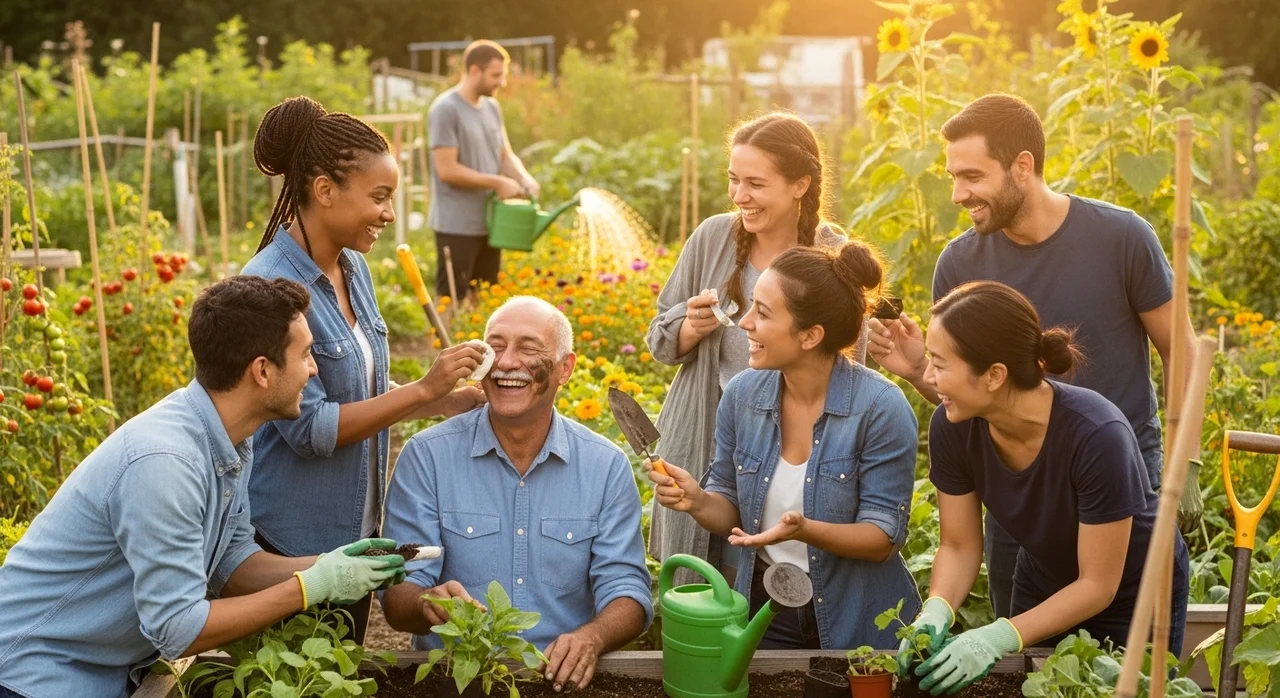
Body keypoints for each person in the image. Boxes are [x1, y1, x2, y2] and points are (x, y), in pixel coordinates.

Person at [866, 93, 1200, 620]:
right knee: (1022, 654)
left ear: (1023, 166)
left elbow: (1182, 352)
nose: (958, 193)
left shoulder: (1121, 237)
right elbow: (979, 393)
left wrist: (1188, 464)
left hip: (1121, 482)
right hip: (1018, 507)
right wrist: (917, 371)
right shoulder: (961, 262)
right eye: (953, 176)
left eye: (972, 176)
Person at [0, 276, 406, 698]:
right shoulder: (166, 463)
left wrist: (330, 566)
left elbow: (233, 562)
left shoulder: (228, 435)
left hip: (95, 671)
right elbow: (178, 630)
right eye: (305, 354)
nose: (314, 368)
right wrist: (310, 588)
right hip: (31, 674)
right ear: (262, 371)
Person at [242, 95, 485, 643]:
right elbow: (311, 429)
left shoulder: (353, 268)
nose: (390, 214)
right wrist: (423, 388)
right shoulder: (271, 289)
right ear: (324, 190)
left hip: (349, 534)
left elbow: (357, 386)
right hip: (290, 544)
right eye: (379, 197)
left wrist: (440, 400)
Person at [896, 281, 1189, 696]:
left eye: (940, 364)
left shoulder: (1097, 435)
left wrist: (999, 635)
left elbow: (1097, 584)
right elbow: (959, 545)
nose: (927, 377)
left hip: (1132, 588)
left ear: (995, 375)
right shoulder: (954, 426)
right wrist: (937, 607)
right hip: (1044, 574)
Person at [645, 241, 921, 650]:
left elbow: (882, 539)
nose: (745, 323)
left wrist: (806, 530)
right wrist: (698, 500)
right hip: (767, 613)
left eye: (764, 313)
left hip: (859, 619)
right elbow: (729, 505)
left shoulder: (880, 408)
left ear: (811, 335)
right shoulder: (742, 395)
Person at [381, 296, 652, 692]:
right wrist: (427, 602)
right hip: (456, 677)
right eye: (496, 346)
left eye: (528, 348)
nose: (507, 362)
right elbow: (399, 594)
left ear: (565, 369)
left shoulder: (604, 465)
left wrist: (591, 639)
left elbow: (626, 587)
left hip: (560, 678)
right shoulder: (428, 456)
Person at [647, 112, 848, 580]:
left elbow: (849, 360)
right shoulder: (714, 236)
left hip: (794, 441)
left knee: (778, 569)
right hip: (706, 432)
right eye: (734, 180)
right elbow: (660, 338)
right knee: (699, 571)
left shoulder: (830, 251)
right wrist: (691, 327)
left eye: (755, 184)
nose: (740, 197)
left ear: (800, 184)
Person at [428, 39, 540, 303]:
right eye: (496, 75)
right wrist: (498, 183)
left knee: (484, 297)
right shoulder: (446, 109)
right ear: (474, 71)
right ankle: (442, 345)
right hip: (456, 224)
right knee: (450, 298)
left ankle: (480, 345)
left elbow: (504, 154)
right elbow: (447, 170)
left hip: (491, 223)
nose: (502, 82)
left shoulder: (492, 108)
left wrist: (524, 178)